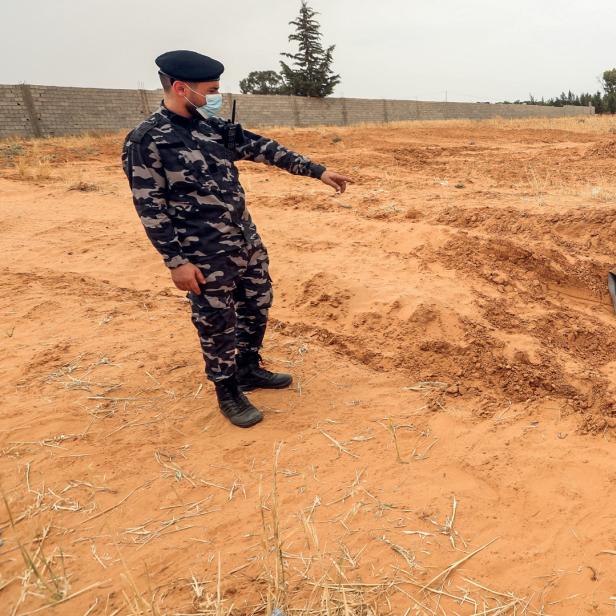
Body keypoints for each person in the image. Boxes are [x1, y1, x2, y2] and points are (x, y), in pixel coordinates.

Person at [121, 50, 351, 428]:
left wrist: (318, 171)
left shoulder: (213, 127)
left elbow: (265, 148)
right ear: (181, 88)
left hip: (244, 242)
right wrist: (176, 262)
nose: (217, 97)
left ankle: (247, 367)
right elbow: (150, 208)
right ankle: (227, 389)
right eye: (211, 90)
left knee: (257, 303)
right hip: (201, 254)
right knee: (216, 320)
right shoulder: (147, 141)